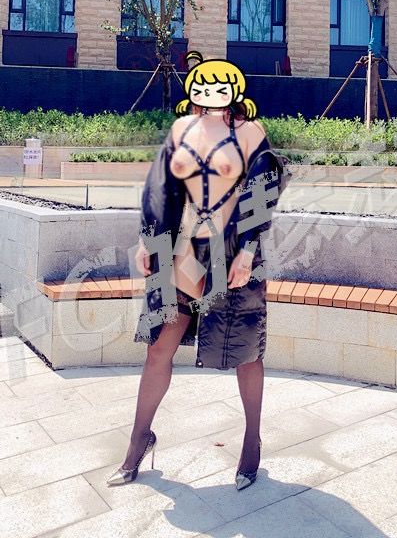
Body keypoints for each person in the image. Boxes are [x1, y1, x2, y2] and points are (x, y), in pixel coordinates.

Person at [106, 51, 289, 491]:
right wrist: (148, 240)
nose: (211, 93)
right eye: (204, 85)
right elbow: (160, 189)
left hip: (231, 253)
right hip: (181, 252)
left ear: (235, 90)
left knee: (247, 351)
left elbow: (263, 190)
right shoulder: (180, 129)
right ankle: (138, 441)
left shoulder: (250, 132)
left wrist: (248, 250)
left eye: (220, 86)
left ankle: (251, 442)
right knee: (159, 348)